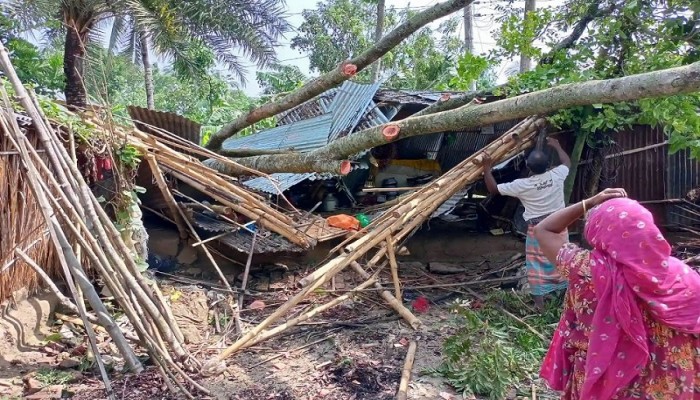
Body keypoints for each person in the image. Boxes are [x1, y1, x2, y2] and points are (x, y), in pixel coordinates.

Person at [534, 188, 700, 399]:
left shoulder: (585, 270)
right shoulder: (682, 277)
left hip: (606, 382)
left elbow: (544, 230)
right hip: (668, 386)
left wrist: (590, 202)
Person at [482, 137, 571, 309]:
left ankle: (540, 307)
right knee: (563, 259)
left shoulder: (522, 185)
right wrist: (558, 145)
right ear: (547, 166)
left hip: (538, 230)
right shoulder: (557, 175)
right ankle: (567, 300)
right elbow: (566, 162)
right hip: (559, 226)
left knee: (536, 265)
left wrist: (486, 168)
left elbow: (493, 189)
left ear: (528, 167)